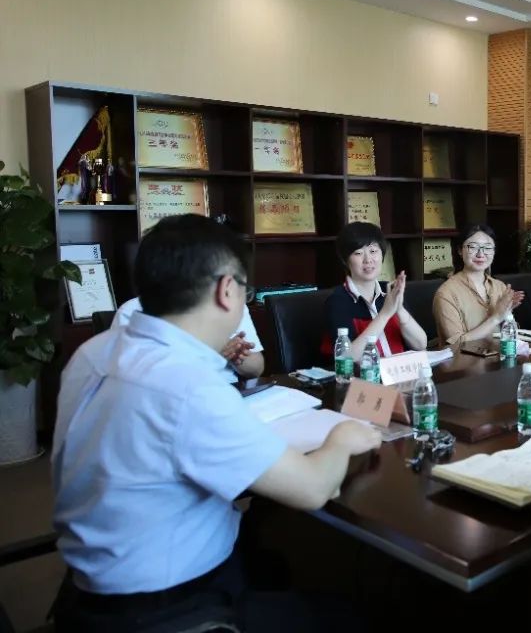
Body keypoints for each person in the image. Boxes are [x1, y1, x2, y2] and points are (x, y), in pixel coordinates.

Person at [51, 214, 381, 632]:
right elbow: (314, 488)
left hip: (86, 589)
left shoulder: (94, 351)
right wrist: (343, 436)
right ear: (227, 290)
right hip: (168, 607)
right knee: (353, 615)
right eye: (246, 289)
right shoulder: (186, 384)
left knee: (275, 547)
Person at [323, 221, 427, 360]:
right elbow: (348, 358)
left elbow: (421, 344)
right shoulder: (337, 301)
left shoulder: (389, 290)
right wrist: (385, 313)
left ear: (382, 254)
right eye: (358, 253)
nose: (368, 260)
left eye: (373, 251)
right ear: (345, 260)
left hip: (401, 370)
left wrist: (399, 308)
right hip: (367, 373)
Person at [111, 295, 264, 379]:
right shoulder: (131, 312)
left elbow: (257, 369)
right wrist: (212, 354)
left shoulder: (230, 303)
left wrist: (236, 354)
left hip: (230, 393)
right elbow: (129, 381)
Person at [432, 223, 524, 345]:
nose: (481, 254)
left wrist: (507, 315)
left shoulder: (500, 287)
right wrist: (496, 317)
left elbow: (511, 335)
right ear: (460, 250)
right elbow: (456, 344)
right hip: (462, 357)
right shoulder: (446, 293)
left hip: (500, 354)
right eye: (473, 247)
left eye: (487, 248)